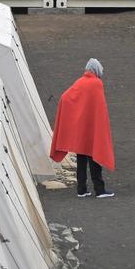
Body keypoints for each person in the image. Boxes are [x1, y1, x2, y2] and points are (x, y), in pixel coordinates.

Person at [49, 58, 115, 198]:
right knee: (94, 158)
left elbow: (65, 97)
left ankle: (82, 189)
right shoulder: (96, 83)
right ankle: (100, 190)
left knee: (81, 159)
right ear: (97, 70)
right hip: (92, 129)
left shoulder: (80, 82)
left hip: (80, 130)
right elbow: (99, 109)